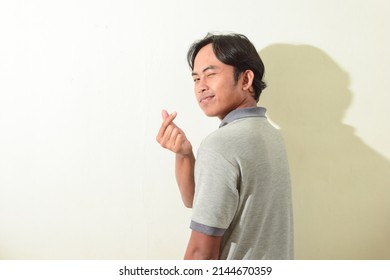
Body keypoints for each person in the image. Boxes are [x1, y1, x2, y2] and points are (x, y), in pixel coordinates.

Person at [156, 33, 293, 260]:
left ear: (246, 80)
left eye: (210, 74)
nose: (201, 87)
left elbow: (201, 253)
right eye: (196, 79)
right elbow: (196, 201)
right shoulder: (271, 136)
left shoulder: (220, 146)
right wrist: (185, 154)